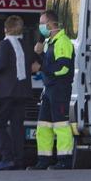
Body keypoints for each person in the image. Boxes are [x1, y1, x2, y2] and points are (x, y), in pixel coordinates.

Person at [0, 15, 34, 170]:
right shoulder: (26, 44)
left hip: (6, 92)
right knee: (18, 126)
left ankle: (7, 157)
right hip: (23, 91)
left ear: (5, 29)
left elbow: (0, 64)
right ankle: (18, 159)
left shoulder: (4, 44)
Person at [29, 10, 75, 170]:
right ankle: (44, 160)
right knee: (43, 126)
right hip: (49, 88)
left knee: (61, 125)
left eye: (42, 23)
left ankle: (65, 160)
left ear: (50, 24)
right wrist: (40, 55)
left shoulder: (63, 42)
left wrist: (40, 66)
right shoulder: (51, 42)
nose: (41, 27)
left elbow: (62, 67)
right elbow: (51, 66)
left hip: (60, 89)